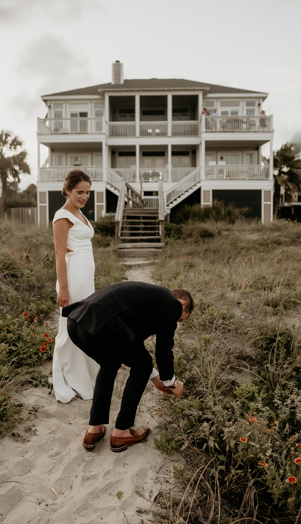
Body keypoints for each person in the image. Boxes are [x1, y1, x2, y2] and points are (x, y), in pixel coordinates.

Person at [63, 281, 193, 452]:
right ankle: (122, 432)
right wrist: (172, 383)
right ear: (183, 304)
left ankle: (94, 429)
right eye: (180, 319)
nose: (175, 322)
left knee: (110, 364)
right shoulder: (171, 303)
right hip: (104, 324)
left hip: (77, 323)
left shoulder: (146, 300)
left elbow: (135, 348)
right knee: (139, 366)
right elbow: (163, 349)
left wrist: (156, 379)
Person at [51, 169, 100, 403]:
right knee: (71, 326)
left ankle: (87, 375)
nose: (84, 197)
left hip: (85, 277)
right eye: (80, 192)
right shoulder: (62, 216)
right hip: (71, 277)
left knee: (85, 325)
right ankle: (70, 378)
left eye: (88, 192)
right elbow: (60, 255)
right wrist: (63, 288)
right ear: (68, 190)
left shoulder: (80, 214)